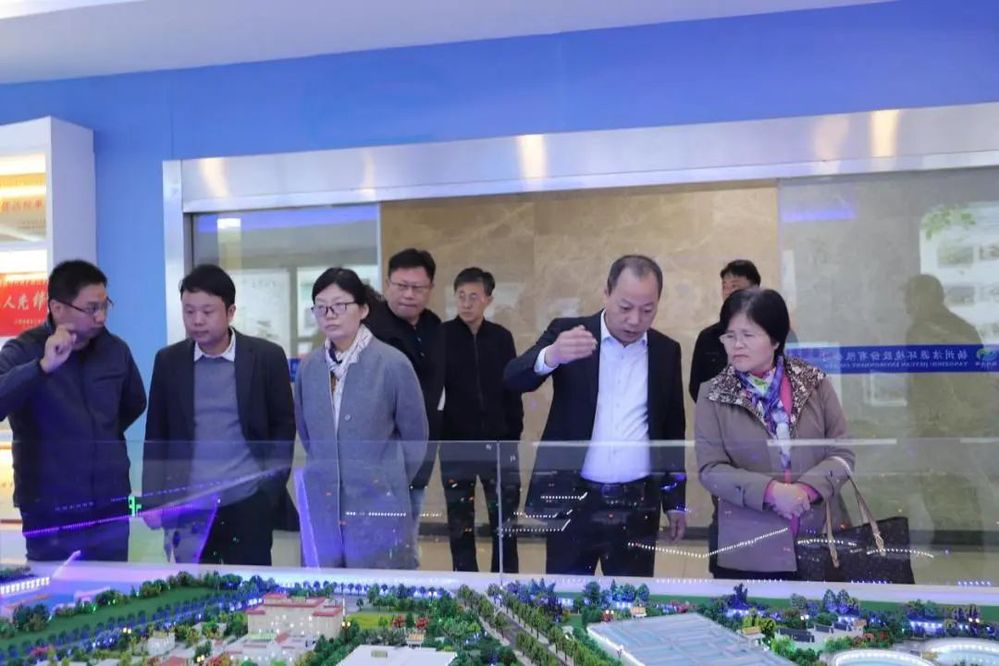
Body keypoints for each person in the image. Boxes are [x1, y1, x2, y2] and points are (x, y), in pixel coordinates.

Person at [505, 255, 687, 576]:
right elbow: (513, 379)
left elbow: (672, 429)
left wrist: (675, 502)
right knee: (566, 595)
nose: (634, 320)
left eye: (647, 310)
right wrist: (552, 355)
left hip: (637, 503)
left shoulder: (665, 350)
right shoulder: (570, 333)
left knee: (631, 596)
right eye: (625, 307)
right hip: (573, 498)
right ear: (606, 293)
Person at [694, 287, 855, 580]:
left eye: (748, 335)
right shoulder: (712, 393)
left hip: (818, 538)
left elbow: (842, 452)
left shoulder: (814, 382)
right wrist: (772, 492)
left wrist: (804, 492)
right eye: (730, 336)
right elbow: (710, 469)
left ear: (776, 339)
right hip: (748, 547)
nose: (737, 345)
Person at [141, 264, 296, 565]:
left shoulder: (266, 357)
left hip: (248, 501)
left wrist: (269, 492)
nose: (197, 320)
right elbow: (157, 433)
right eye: (189, 311)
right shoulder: (169, 361)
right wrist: (153, 499)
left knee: (249, 585)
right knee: (194, 586)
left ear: (230, 312)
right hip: (189, 503)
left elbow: (283, 427)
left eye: (207, 311)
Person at [0, 260, 146, 561]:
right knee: (55, 588)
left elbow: (134, 402)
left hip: (109, 506)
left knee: (113, 586)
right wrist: (42, 368)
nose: (101, 316)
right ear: (57, 308)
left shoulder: (115, 350)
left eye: (105, 306)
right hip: (49, 510)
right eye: (91, 308)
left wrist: (98, 437)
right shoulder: (24, 350)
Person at [294, 267, 428, 568]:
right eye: (321, 307)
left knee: (378, 588)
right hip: (324, 502)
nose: (330, 315)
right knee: (325, 586)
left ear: (363, 309)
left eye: (340, 305)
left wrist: (388, 479)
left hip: (379, 502)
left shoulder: (392, 363)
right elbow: (307, 433)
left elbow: (415, 437)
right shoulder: (309, 367)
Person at [440, 267, 523, 573]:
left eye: (473, 296)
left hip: (499, 444)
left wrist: (512, 433)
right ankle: (467, 585)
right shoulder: (442, 336)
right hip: (456, 446)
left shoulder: (501, 337)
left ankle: (506, 583)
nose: (466, 303)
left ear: (488, 299)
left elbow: (513, 389)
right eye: (460, 296)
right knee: (459, 524)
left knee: (505, 523)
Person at [364, 248, 445, 536]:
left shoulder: (434, 326)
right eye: (401, 286)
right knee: (381, 539)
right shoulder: (369, 330)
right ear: (388, 284)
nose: (409, 295)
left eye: (418, 288)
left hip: (421, 451)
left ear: (430, 288)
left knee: (408, 536)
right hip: (380, 458)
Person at [689, 259, 762, 401]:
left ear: (755, 289)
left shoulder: (769, 333)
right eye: (724, 287)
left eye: (734, 286)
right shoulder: (708, 336)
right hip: (717, 411)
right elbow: (696, 387)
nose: (728, 292)